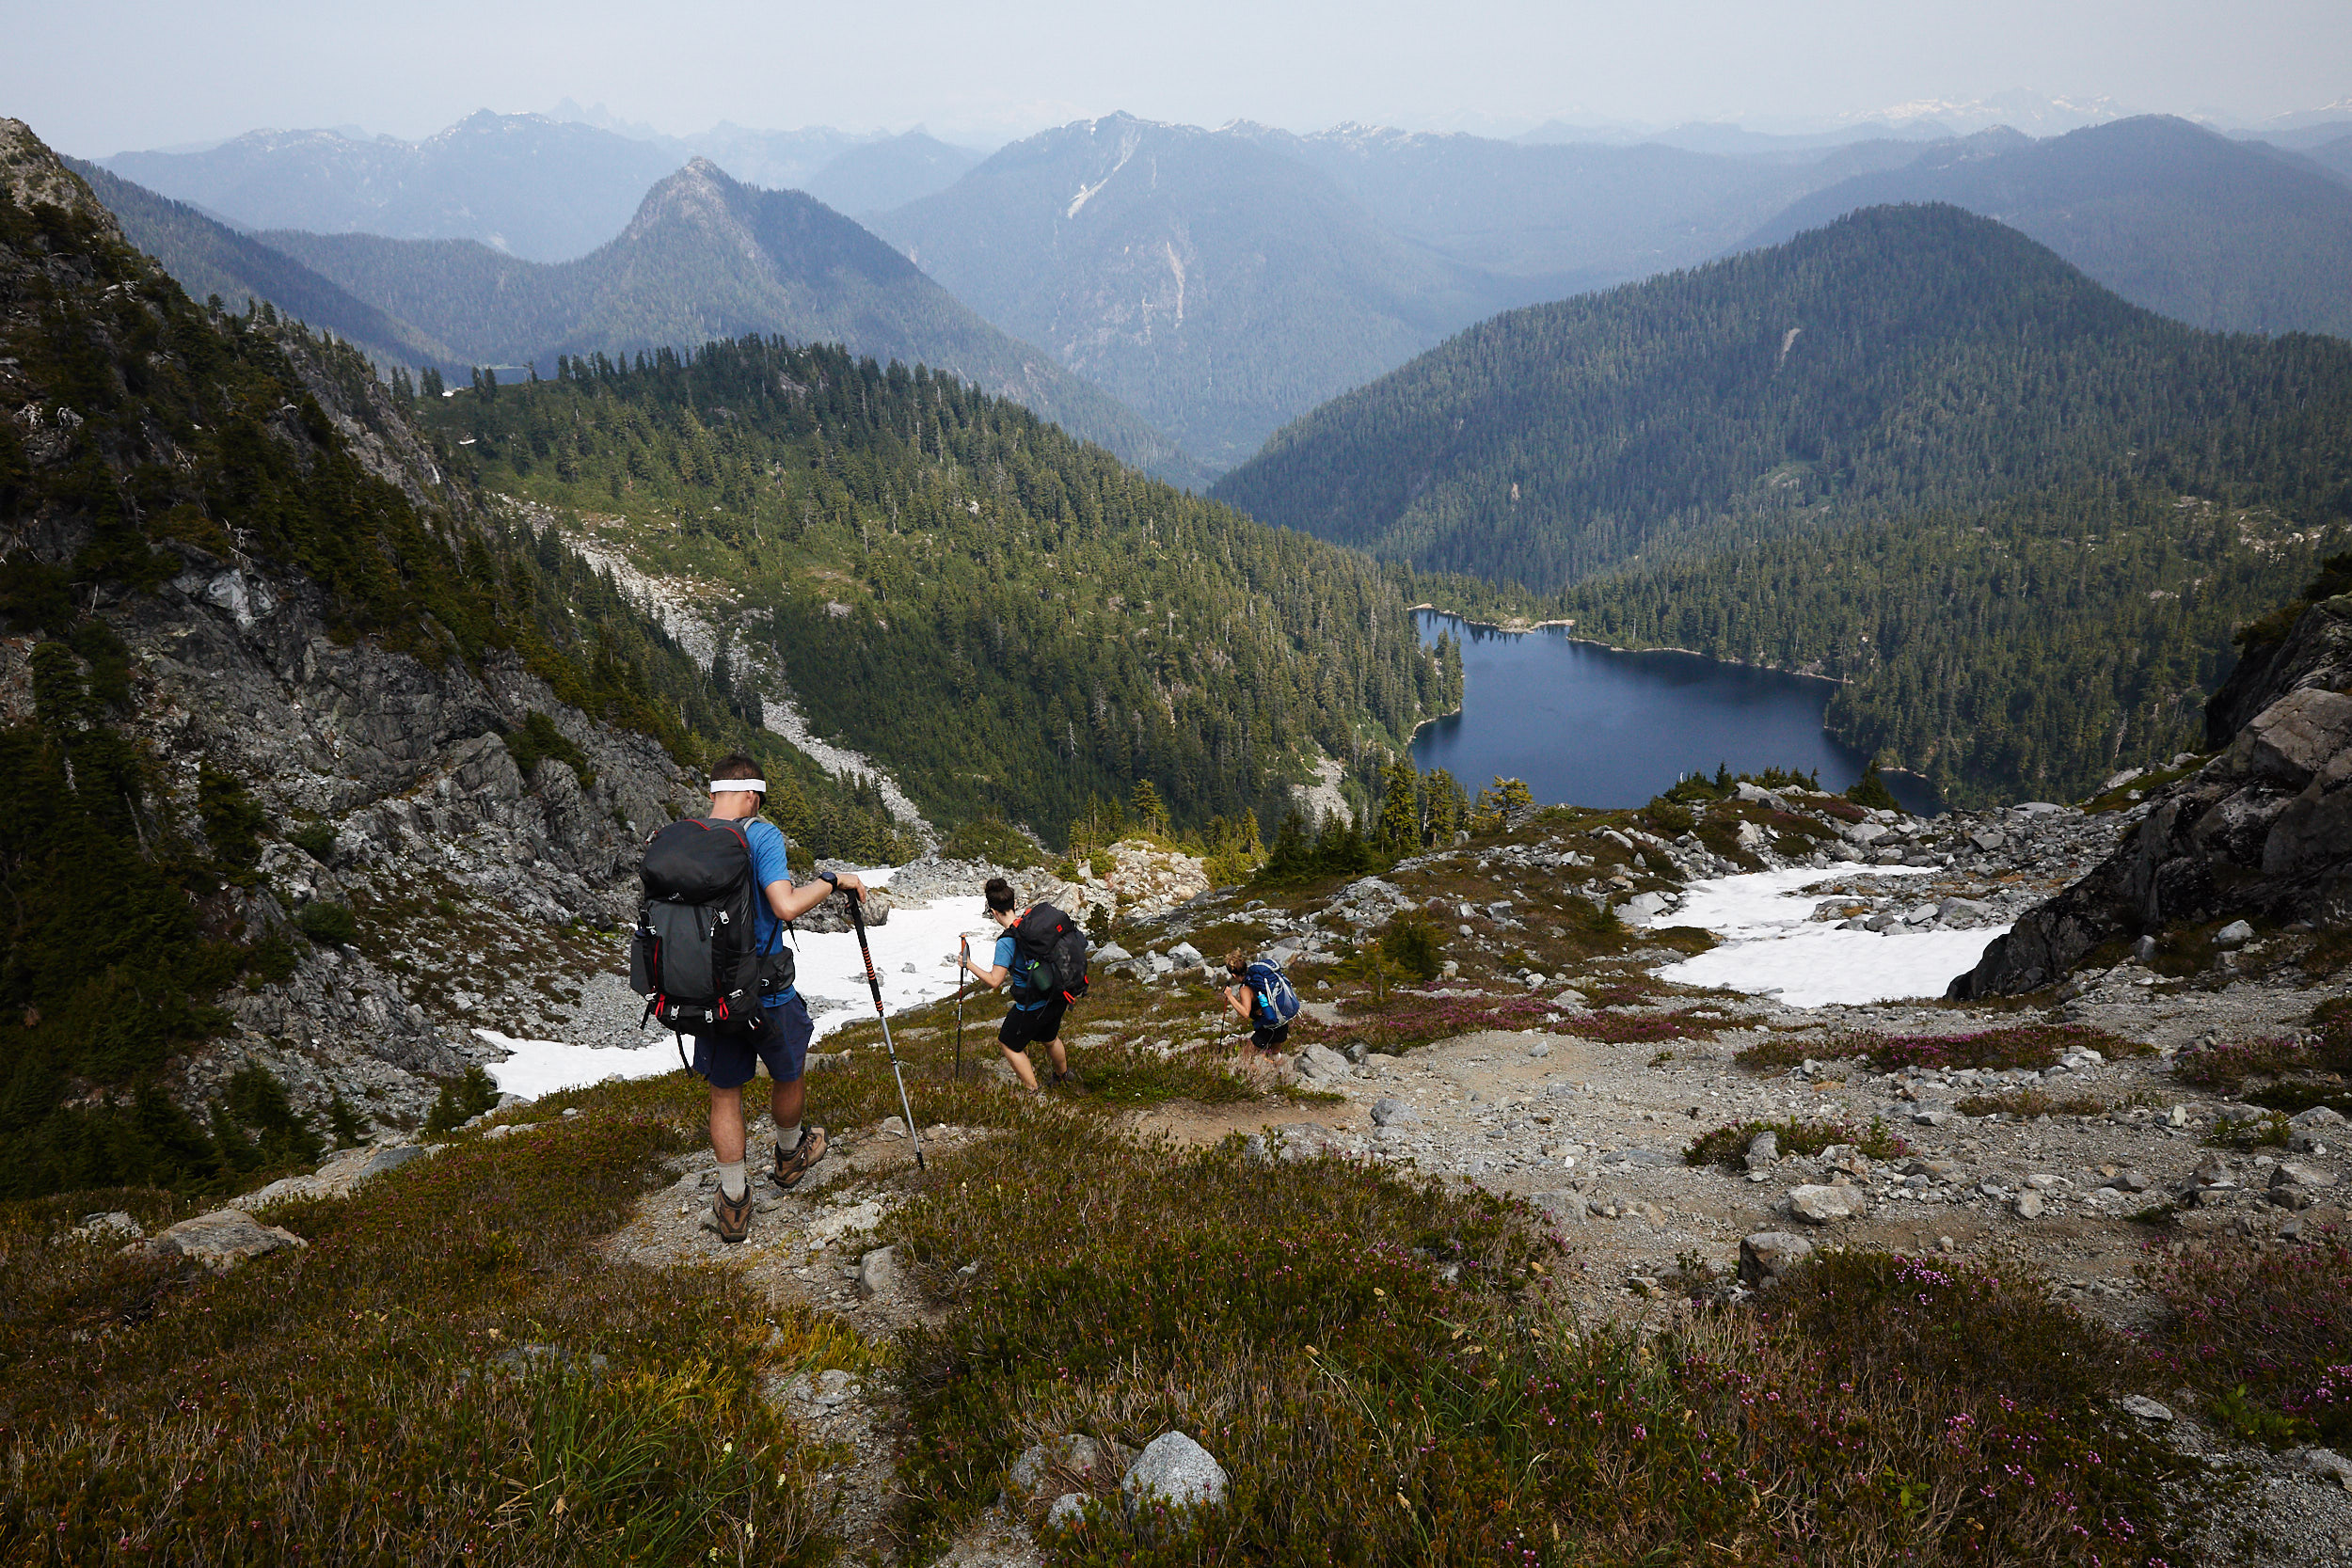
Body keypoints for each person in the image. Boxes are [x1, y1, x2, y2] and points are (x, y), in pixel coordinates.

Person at [699, 754, 864, 1243]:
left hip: (711, 992)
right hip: (766, 989)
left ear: (715, 792)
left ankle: (732, 1201)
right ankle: (790, 1157)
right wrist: (835, 880)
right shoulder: (761, 834)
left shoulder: (689, 837)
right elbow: (785, 905)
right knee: (788, 1070)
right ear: (751, 794)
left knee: (725, 1093)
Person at [953, 877, 1074, 1090]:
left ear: (993, 912)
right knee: (1050, 1039)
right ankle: (1064, 1076)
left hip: (1033, 1005)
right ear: (1015, 904)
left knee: (1008, 1044)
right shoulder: (1033, 923)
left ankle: (1033, 1093)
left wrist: (968, 964)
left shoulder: (1007, 941)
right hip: (1056, 997)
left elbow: (994, 981)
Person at [1222, 948, 1292, 1067]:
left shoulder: (1245, 988)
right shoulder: (1258, 977)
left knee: (1246, 1056)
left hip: (1268, 1026)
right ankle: (1282, 1078)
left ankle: (1256, 1081)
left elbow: (1245, 1013)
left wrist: (1229, 996)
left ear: (1233, 975)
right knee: (1276, 1052)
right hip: (1282, 1020)